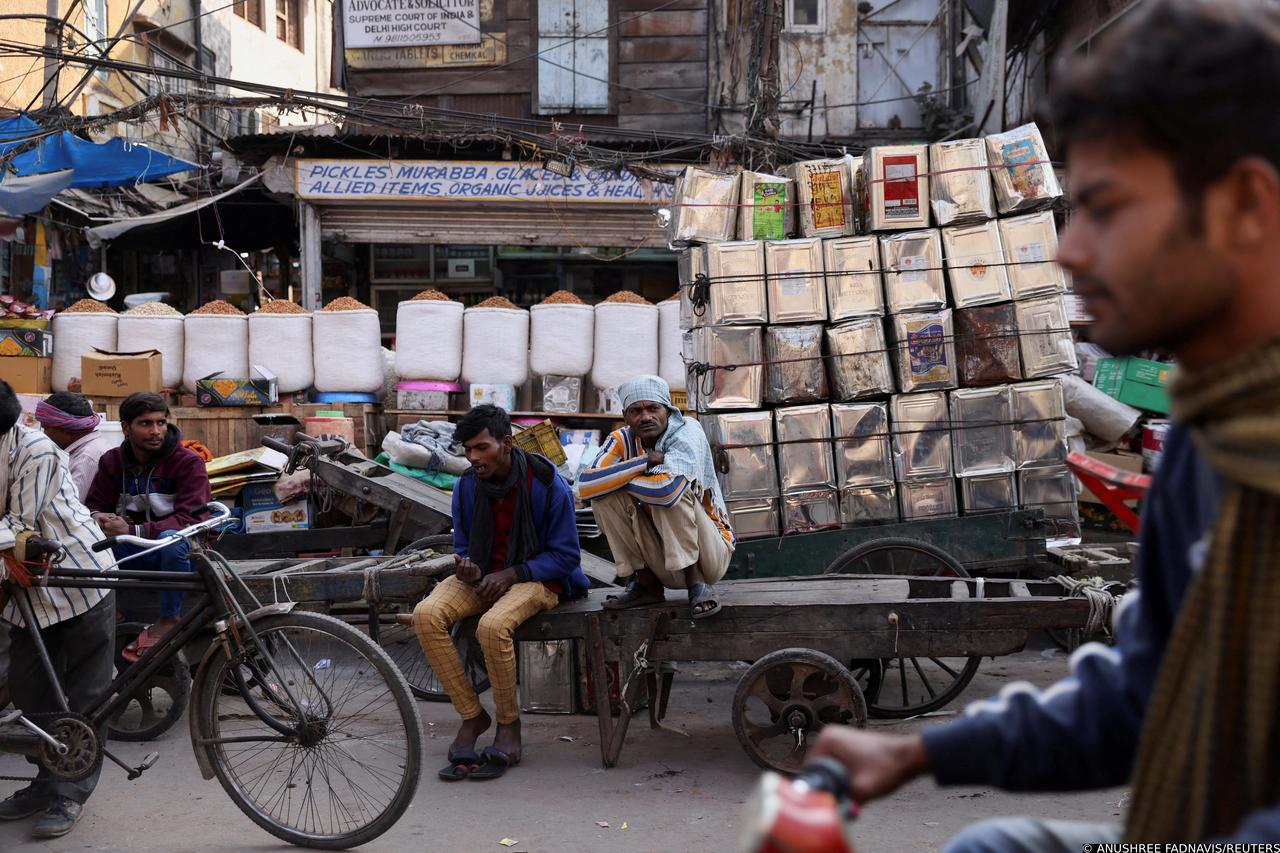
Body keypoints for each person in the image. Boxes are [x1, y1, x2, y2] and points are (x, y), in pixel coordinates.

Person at [811, 0, 1280, 847]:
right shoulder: (1211, 443)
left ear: (1245, 203)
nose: (1068, 251)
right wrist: (920, 751)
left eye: (1104, 207)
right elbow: (1147, 689)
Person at [412, 405, 587, 782]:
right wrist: (468, 566)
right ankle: (473, 716)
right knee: (425, 615)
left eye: (481, 448)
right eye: (467, 450)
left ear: (506, 443)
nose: (473, 457)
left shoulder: (546, 483)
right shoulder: (467, 486)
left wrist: (514, 573)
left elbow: (567, 556)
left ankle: (509, 725)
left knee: (492, 627)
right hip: (486, 577)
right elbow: (464, 545)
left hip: (539, 580)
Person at [0, 379, 116, 839]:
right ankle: (45, 780)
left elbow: (17, 527)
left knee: (87, 695)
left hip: (78, 579)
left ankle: (70, 793)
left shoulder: (36, 451)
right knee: (31, 694)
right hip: (25, 590)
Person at [579, 375, 734, 619]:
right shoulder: (621, 439)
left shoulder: (687, 429)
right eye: (636, 411)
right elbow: (585, 486)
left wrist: (617, 481)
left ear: (668, 410)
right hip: (662, 560)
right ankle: (646, 585)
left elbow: (666, 491)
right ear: (625, 417)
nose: (646, 417)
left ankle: (697, 584)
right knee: (604, 498)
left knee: (668, 492)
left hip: (709, 557)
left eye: (653, 408)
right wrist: (642, 462)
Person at [85, 391, 211, 660]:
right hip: (135, 551)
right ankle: (110, 609)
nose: (156, 431)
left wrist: (133, 531)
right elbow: (93, 504)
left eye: (161, 423)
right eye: (145, 424)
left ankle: (169, 618)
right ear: (125, 428)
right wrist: (100, 518)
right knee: (86, 545)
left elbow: (191, 519)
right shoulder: (112, 461)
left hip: (180, 555)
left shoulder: (188, 463)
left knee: (172, 540)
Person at [34, 392, 114, 501]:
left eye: (46, 429)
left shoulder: (86, 458)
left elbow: (69, 504)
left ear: (66, 429)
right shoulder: (86, 446)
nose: (44, 434)